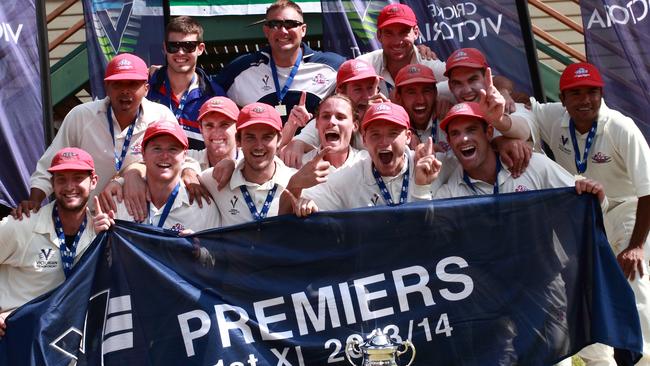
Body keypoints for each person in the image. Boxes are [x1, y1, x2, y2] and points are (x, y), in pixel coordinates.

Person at [530, 62, 650, 365]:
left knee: (634, 283)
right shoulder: (553, 116)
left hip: (627, 210)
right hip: (584, 215)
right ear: (563, 98)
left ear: (601, 94)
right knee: (584, 289)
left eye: (592, 92)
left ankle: (645, 357)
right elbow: (520, 110)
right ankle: (600, 359)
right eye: (576, 93)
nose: (585, 100)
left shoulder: (620, 126)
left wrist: (636, 246)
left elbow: (648, 190)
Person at [14, 53, 176, 219]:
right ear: (106, 87)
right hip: (88, 223)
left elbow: (179, 160)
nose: (125, 91)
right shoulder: (81, 116)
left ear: (146, 88)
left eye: (133, 84)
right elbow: (50, 164)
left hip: (140, 223)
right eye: (118, 84)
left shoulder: (160, 116)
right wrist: (34, 201)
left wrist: (135, 170)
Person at [0, 148, 99, 337]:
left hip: (66, 342)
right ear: (52, 183)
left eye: (78, 178)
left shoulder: (99, 232)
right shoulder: (22, 225)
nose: (70, 187)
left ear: (93, 181)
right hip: (15, 338)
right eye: (61, 179)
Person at [283, 102, 441, 216]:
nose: (384, 142)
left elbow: (437, 230)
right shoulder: (346, 178)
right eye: (375, 135)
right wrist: (298, 192)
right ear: (364, 140)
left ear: (407, 137)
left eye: (393, 133)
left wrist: (422, 188)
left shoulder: (432, 165)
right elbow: (285, 216)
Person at [434, 102, 604, 200]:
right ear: (449, 140)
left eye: (471, 130)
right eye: (455, 133)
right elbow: (425, 231)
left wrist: (596, 196)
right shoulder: (450, 193)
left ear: (489, 133)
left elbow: (587, 202)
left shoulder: (535, 165)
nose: (463, 139)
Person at [216, 0, 344, 122]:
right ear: (266, 31)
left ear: (303, 30)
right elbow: (207, 96)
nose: (283, 31)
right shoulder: (240, 69)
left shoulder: (333, 66)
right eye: (275, 25)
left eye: (290, 24)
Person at [94, 120, 220, 233]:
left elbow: (215, 256)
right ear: (143, 153)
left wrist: (199, 253)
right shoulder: (117, 203)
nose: (165, 156)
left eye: (173, 149)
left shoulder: (203, 207)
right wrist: (99, 235)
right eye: (157, 149)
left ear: (184, 156)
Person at [199, 103, 296, 226]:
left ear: (279, 139)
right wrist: (189, 171)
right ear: (238, 140)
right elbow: (180, 172)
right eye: (250, 138)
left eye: (267, 137)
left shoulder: (295, 182)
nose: (259, 146)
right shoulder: (216, 179)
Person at [444, 47, 535, 176]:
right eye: (457, 83)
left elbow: (525, 130)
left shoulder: (509, 104)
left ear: (487, 79)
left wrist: (499, 120)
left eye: (473, 79)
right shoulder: (449, 102)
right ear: (450, 86)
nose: (466, 90)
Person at [279, 58, 383, 168]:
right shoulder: (328, 121)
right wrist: (295, 139)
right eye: (358, 89)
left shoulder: (387, 119)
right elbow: (289, 149)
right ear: (341, 92)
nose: (367, 96)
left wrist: (378, 121)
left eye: (370, 88)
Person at [148, 16, 225, 150]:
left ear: (200, 49)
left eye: (189, 46)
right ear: (165, 48)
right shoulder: (146, 87)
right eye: (174, 46)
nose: (180, 52)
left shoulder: (215, 96)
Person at [356, 3, 448, 97]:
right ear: (379, 36)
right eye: (389, 33)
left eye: (403, 33)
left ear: (416, 33)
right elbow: (342, 95)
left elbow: (460, 84)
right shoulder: (365, 65)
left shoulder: (432, 67)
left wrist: (440, 100)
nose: (397, 42)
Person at [392, 63, 450, 152]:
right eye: (411, 92)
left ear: (435, 93)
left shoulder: (449, 118)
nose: (421, 100)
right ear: (398, 97)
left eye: (426, 91)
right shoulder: (393, 130)